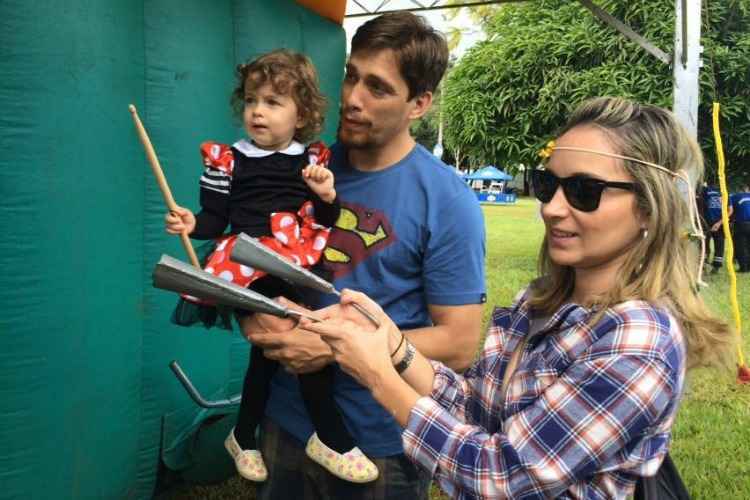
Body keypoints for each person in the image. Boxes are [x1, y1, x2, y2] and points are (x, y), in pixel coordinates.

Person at [300, 97, 735, 499]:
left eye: (584, 191)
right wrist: (393, 345)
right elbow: (477, 408)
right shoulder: (540, 302)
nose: (552, 208)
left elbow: (501, 474)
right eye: (550, 185)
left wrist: (379, 376)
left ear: (647, 206)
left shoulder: (639, 339)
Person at [239, 12, 486, 500]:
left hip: (380, 438)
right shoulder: (303, 168)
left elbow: (458, 343)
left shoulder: (447, 200)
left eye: (378, 87)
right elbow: (255, 260)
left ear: (420, 103)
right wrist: (253, 315)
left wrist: (333, 346)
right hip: (285, 417)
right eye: (351, 76)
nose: (352, 98)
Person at [164, 49, 378, 484]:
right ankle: (330, 435)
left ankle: (244, 435)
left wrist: (326, 197)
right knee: (295, 330)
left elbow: (326, 223)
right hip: (241, 264)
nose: (257, 112)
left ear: (301, 115)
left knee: (270, 353)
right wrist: (191, 222)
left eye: (272, 102)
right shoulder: (229, 159)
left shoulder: (311, 161)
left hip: (287, 263)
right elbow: (214, 218)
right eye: (250, 100)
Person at [701, 183, 729, 272]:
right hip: (714, 222)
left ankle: (707, 264)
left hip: (710, 222)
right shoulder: (723, 191)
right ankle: (709, 265)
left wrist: (718, 223)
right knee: (717, 244)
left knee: (705, 243)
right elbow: (730, 210)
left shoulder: (704, 190)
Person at [730, 183, 750, 272]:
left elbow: (730, 211)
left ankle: (744, 268)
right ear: (746, 189)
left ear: (739, 189)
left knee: (741, 246)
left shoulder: (734, 197)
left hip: (741, 224)